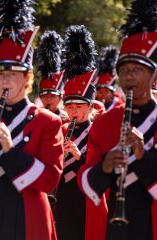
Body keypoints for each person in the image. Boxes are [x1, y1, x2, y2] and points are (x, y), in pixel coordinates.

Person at [77, 0, 157, 240]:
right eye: (124, 70)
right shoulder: (104, 122)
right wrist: (104, 167)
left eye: (137, 70)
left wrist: (143, 156)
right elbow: (85, 181)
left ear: (154, 76)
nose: (129, 75)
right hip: (114, 223)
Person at [0, 1, 64, 240]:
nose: (5, 81)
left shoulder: (48, 121)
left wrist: (9, 150)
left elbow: (49, 180)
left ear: (27, 79)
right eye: (0, 75)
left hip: (25, 216)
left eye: (12, 75)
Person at [54, 25, 108, 240]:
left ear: (90, 107)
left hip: (88, 197)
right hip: (63, 196)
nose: (74, 111)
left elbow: (104, 168)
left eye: (79, 106)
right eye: (70, 107)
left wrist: (79, 156)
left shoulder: (99, 130)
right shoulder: (61, 130)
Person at [37, 30, 68, 123]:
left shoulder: (67, 120)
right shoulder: (35, 117)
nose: (48, 99)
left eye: (52, 96)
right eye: (45, 96)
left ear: (60, 97)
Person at [96, 45, 124, 111]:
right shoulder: (92, 105)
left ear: (112, 93)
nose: (103, 95)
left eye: (106, 92)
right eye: (100, 91)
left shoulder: (119, 105)